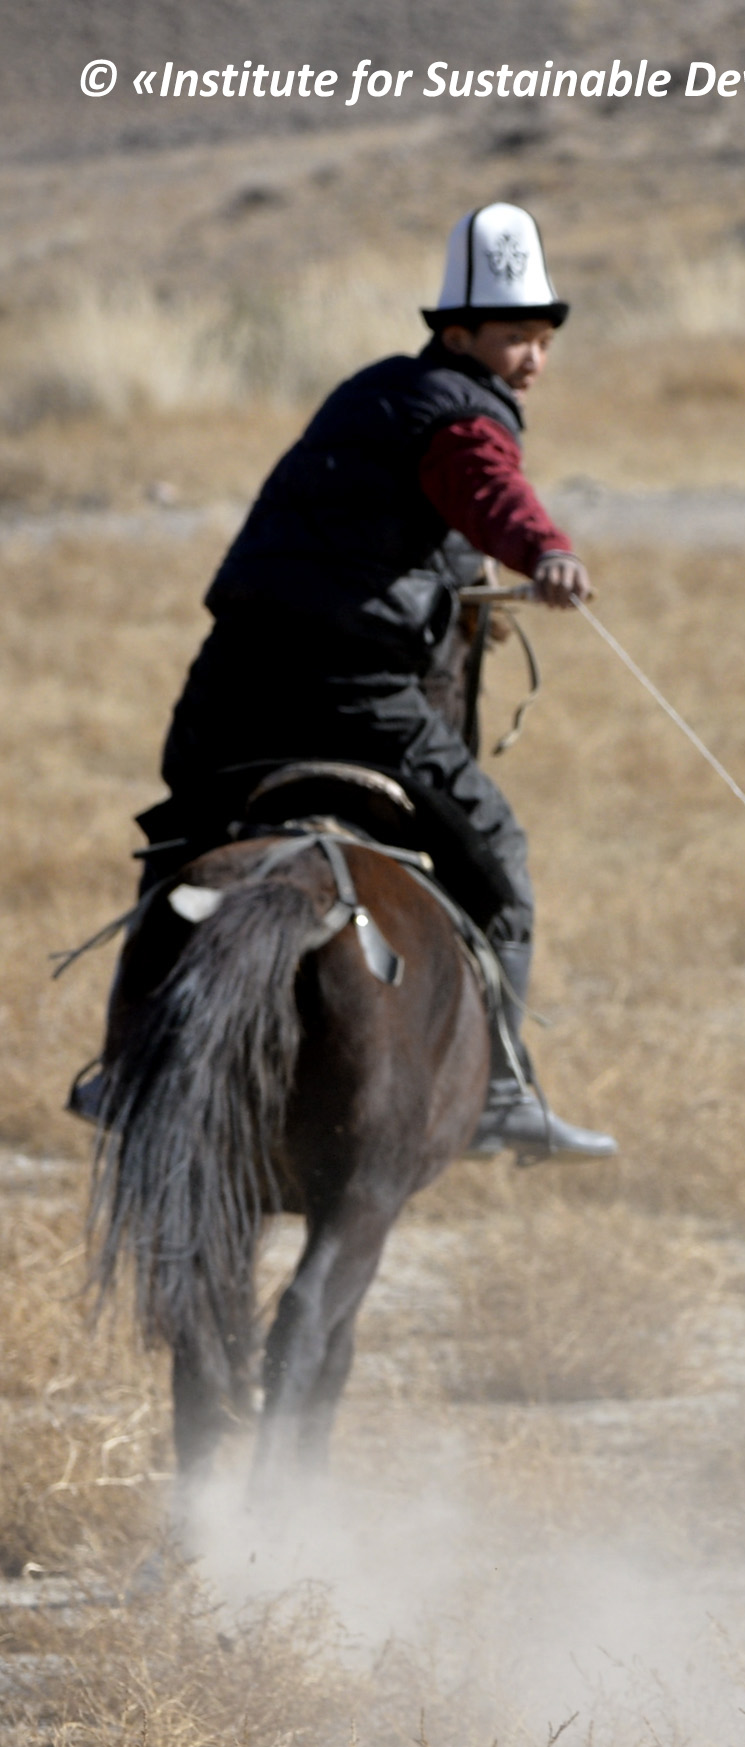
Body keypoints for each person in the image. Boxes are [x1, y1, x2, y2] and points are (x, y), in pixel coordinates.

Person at [84, 201, 614, 1161]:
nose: (532, 357)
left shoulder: (367, 396)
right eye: (514, 338)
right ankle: (501, 1095)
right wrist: (544, 549)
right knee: (498, 849)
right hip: (351, 686)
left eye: (543, 339)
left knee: (184, 839)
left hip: (235, 676)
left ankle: (125, 1070)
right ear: (458, 336)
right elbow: (486, 486)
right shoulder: (463, 413)